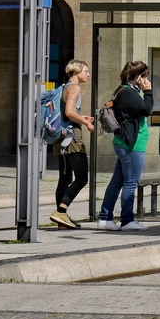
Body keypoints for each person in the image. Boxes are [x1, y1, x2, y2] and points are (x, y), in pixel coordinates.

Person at [98, 60, 154, 232]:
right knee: (131, 182)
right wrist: (149, 92)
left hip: (126, 143)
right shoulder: (129, 93)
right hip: (132, 145)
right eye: (144, 76)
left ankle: (105, 217)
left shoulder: (125, 91)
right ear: (138, 77)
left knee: (117, 181)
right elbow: (146, 109)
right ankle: (127, 219)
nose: (146, 80)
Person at [49, 59, 94, 230]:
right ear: (76, 72)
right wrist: (86, 123)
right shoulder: (75, 88)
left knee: (65, 178)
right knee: (82, 178)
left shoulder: (63, 87)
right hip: (72, 139)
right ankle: (61, 211)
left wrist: (83, 117)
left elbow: (68, 112)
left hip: (61, 138)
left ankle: (62, 220)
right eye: (86, 71)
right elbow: (69, 112)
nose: (88, 74)